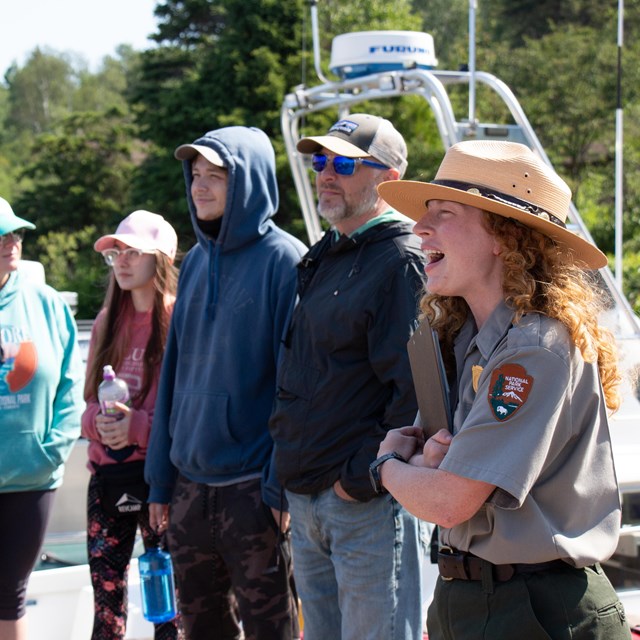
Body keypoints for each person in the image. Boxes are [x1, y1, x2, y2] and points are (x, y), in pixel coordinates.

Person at [374, 140, 632, 639]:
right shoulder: (471, 338)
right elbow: (446, 473)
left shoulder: (534, 349)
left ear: (503, 237)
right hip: (481, 599)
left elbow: (450, 502)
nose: (419, 229)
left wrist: (386, 465)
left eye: (443, 213)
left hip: (537, 609)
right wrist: (426, 461)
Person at [268, 113, 427, 640]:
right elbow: (299, 375)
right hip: (307, 495)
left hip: (362, 505)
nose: (325, 174)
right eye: (320, 161)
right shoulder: (327, 255)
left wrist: (358, 480)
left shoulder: (401, 260)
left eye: (343, 162)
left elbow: (416, 394)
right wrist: (283, 480)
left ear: (389, 181)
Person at [145, 126, 306, 640]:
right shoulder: (192, 263)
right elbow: (172, 376)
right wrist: (160, 481)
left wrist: (278, 485)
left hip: (252, 490)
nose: (200, 186)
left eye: (216, 175)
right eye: (195, 175)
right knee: (201, 631)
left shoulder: (286, 261)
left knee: (271, 630)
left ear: (250, 182)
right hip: (189, 487)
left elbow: (295, 386)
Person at [81, 210, 181, 639]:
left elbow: (183, 410)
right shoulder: (107, 322)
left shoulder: (178, 318)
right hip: (108, 477)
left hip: (160, 482)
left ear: (159, 260)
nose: (121, 261)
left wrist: (137, 428)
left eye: (132, 252)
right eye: (116, 252)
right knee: (107, 608)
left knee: (171, 608)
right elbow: (88, 403)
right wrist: (98, 425)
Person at [0, 196, 84, 640]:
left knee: (10, 596)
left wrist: (51, 451)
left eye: (14, 232)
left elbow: (72, 382)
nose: (11, 241)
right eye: (1, 234)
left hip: (31, 480)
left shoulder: (45, 301)